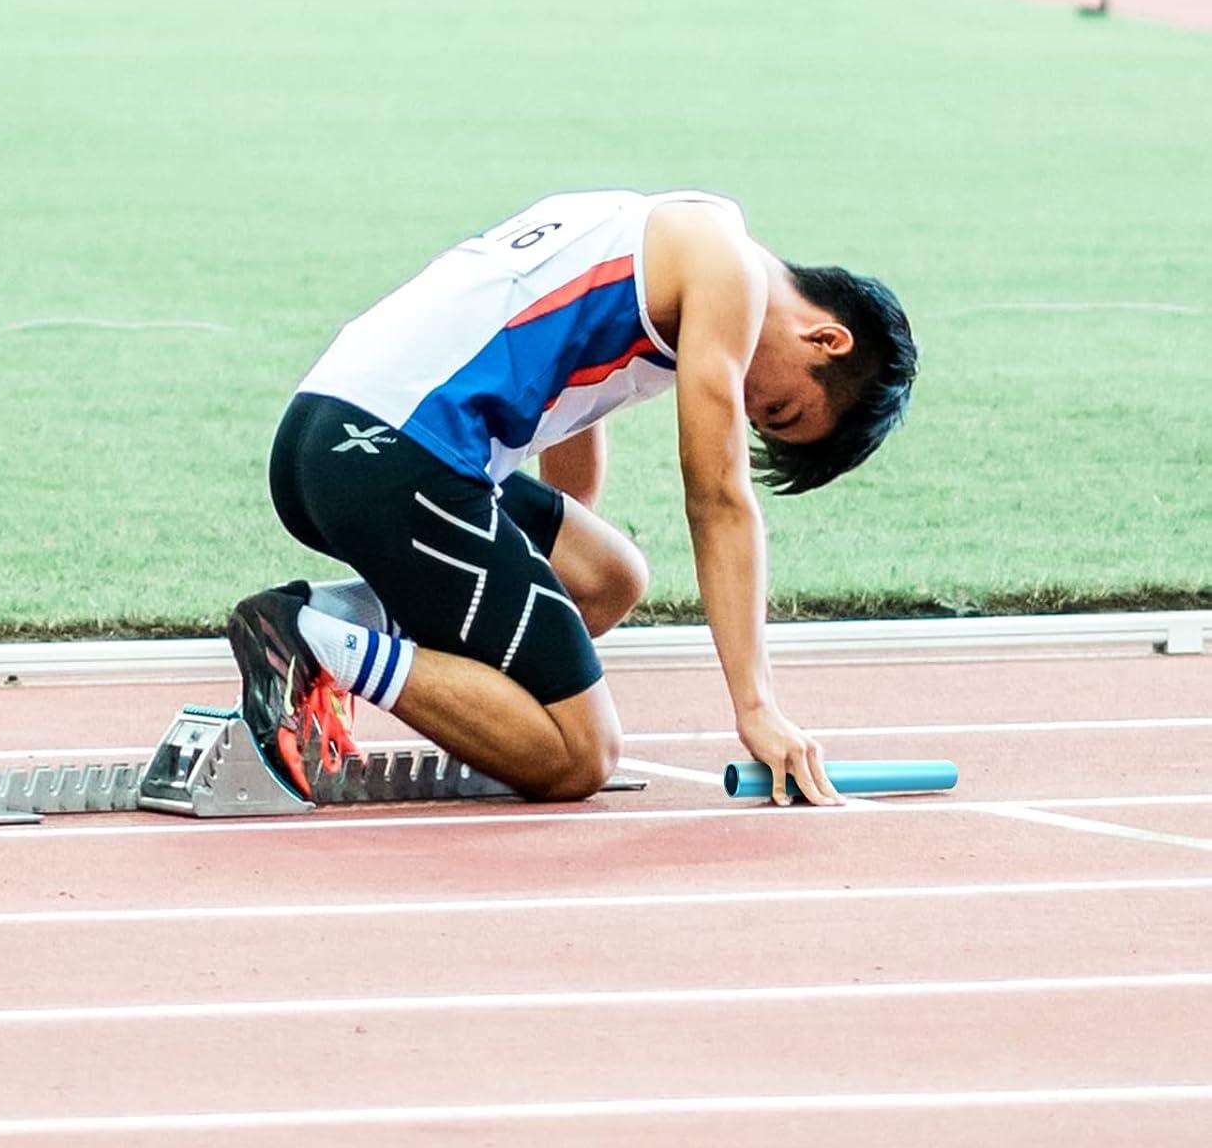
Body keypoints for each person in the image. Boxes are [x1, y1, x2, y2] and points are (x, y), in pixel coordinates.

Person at [228, 187, 916, 809]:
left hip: (328, 435)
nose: (748, 410)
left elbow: (575, 406)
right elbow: (718, 498)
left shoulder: (675, 231)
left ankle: (338, 614)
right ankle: (314, 640)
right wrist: (757, 706)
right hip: (391, 457)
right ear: (826, 339)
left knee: (608, 577)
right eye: (780, 410)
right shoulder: (726, 273)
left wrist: (533, 591)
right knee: (580, 757)